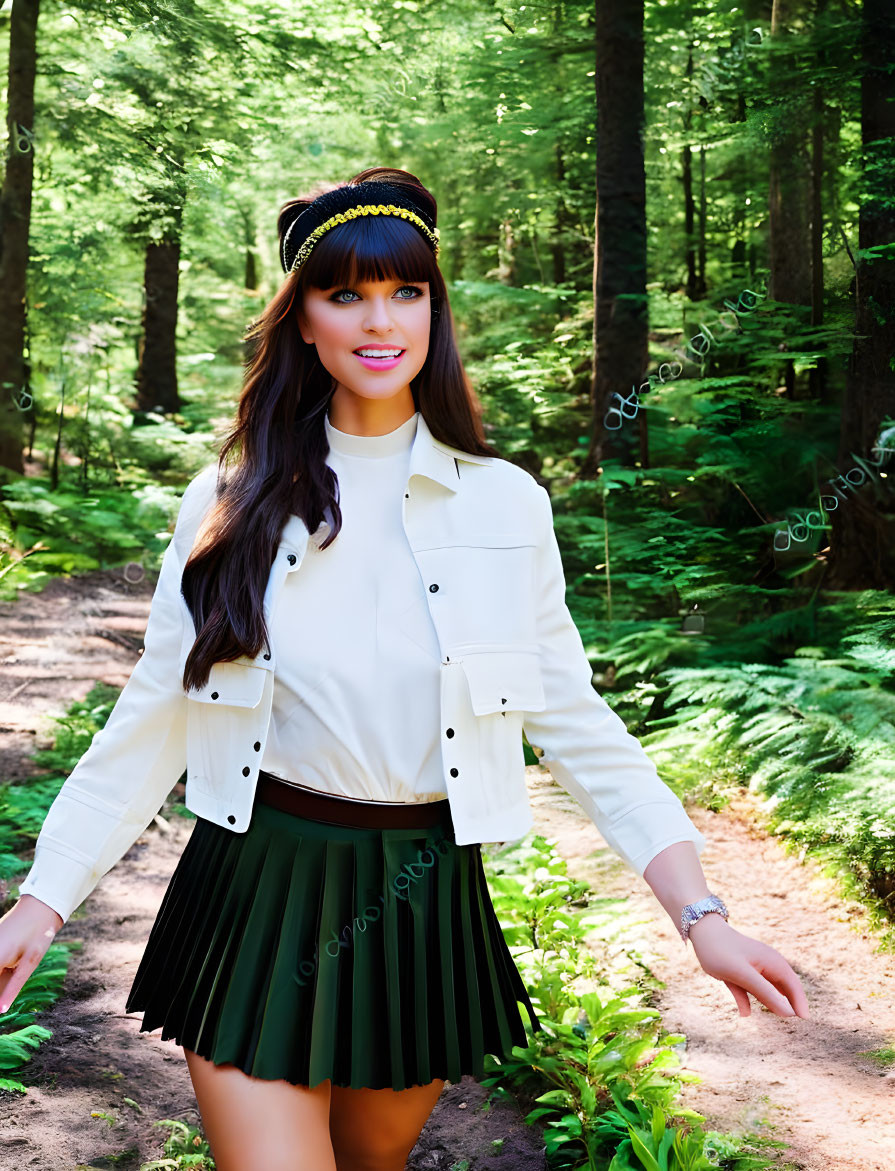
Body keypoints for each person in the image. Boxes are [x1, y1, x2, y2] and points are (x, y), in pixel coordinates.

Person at [0, 166, 810, 1171]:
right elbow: (152, 716)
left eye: (406, 291)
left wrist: (701, 916)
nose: (379, 321)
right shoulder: (231, 497)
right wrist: (44, 895)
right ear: (301, 319)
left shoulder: (503, 504)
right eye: (344, 294)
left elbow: (576, 723)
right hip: (258, 886)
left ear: (433, 307)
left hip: (421, 900)